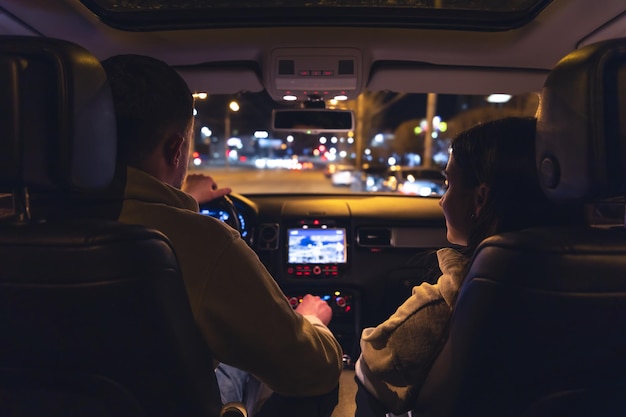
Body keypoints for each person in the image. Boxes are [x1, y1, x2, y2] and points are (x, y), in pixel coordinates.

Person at [101, 54, 343, 415]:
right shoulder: (201, 243)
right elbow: (312, 370)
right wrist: (310, 320)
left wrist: (181, 199)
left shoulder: (21, 218)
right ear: (176, 148)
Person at [354, 116, 584, 415]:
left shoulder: (453, 301)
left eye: (448, 183)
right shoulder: (606, 278)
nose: (440, 201)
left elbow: (373, 370)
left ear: (480, 199)